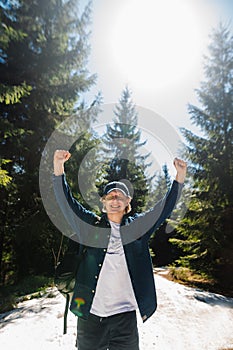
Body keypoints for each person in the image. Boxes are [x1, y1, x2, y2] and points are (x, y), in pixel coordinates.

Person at [53, 149, 187, 350]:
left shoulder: (137, 228)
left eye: (120, 197)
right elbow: (67, 203)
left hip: (124, 318)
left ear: (127, 204)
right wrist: (58, 167)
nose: (115, 200)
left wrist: (179, 178)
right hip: (89, 314)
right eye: (110, 196)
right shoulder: (90, 225)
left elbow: (163, 209)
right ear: (104, 203)